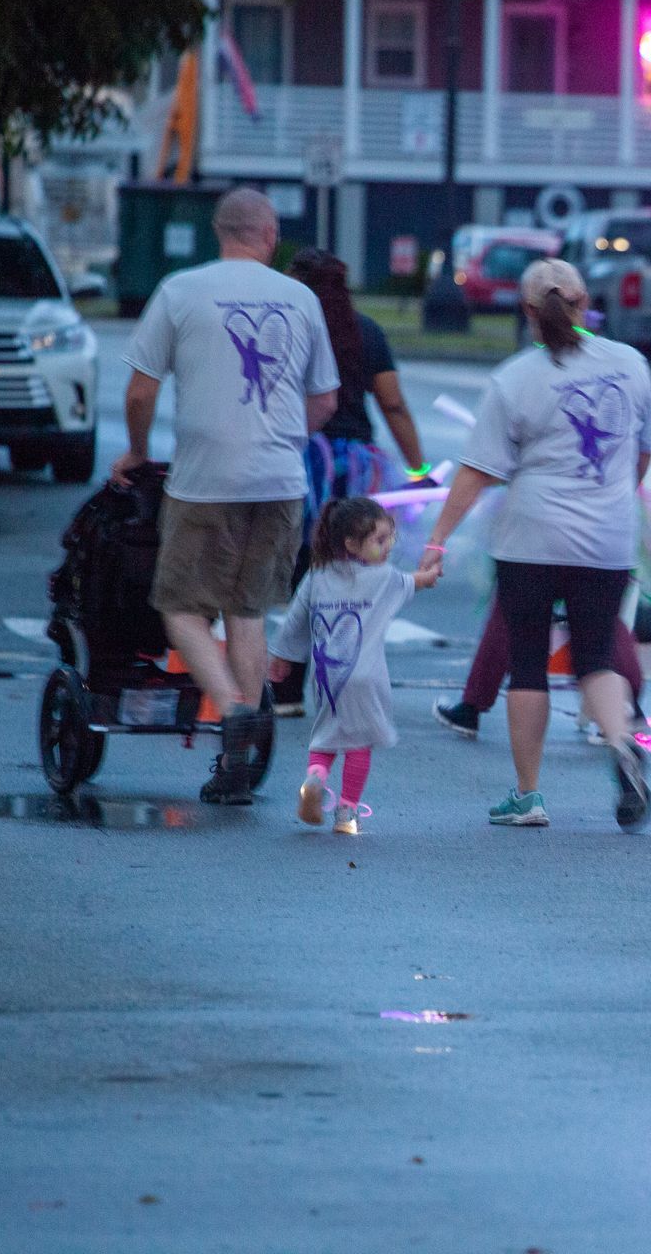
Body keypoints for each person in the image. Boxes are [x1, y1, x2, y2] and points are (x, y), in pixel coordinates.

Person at [112, 188, 340, 804]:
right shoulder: (301, 299)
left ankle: (235, 710)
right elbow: (325, 400)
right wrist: (282, 439)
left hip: (203, 483)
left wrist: (136, 451)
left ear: (220, 233)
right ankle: (241, 755)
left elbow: (140, 392)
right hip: (279, 484)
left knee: (180, 605)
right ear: (269, 236)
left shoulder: (181, 291)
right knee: (247, 610)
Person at [415, 259, 651, 831]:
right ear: (584, 303)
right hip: (607, 539)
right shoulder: (630, 365)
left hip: (530, 538)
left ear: (527, 312)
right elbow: (641, 455)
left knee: (528, 663)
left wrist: (438, 539)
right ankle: (621, 744)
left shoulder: (515, 379)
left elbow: (476, 471)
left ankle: (528, 796)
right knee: (595, 654)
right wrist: (614, 500)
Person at [273, 248, 433, 715]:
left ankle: (285, 688)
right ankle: (349, 681)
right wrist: (418, 469)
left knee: (303, 566)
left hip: (299, 459)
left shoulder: (290, 330)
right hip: (356, 466)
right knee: (355, 570)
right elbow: (393, 404)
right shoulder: (366, 332)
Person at [269, 497, 434, 833]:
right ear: (352, 544)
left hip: (325, 677)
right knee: (359, 744)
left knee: (326, 737)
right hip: (367, 678)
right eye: (379, 540)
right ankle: (346, 813)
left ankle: (314, 779)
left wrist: (282, 658)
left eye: (389, 538)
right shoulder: (385, 578)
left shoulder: (316, 577)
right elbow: (417, 581)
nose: (387, 546)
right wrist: (431, 572)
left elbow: (294, 622)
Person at [432, 597, 646, 738]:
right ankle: (629, 706)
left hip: (542, 546)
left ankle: (473, 706)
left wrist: (437, 542)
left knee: (509, 609)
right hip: (599, 546)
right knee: (602, 616)